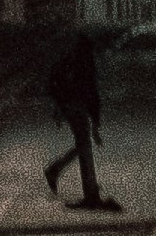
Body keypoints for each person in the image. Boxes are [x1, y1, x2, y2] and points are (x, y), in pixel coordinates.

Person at [41, 19, 114, 208]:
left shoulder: (72, 56)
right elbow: (91, 91)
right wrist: (96, 123)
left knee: (83, 145)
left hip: (69, 105)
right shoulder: (85, 60)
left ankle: (57, 170)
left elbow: (56, 82)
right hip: (77, 106)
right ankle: (90, 193)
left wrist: (59, 108)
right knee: (85, 147)